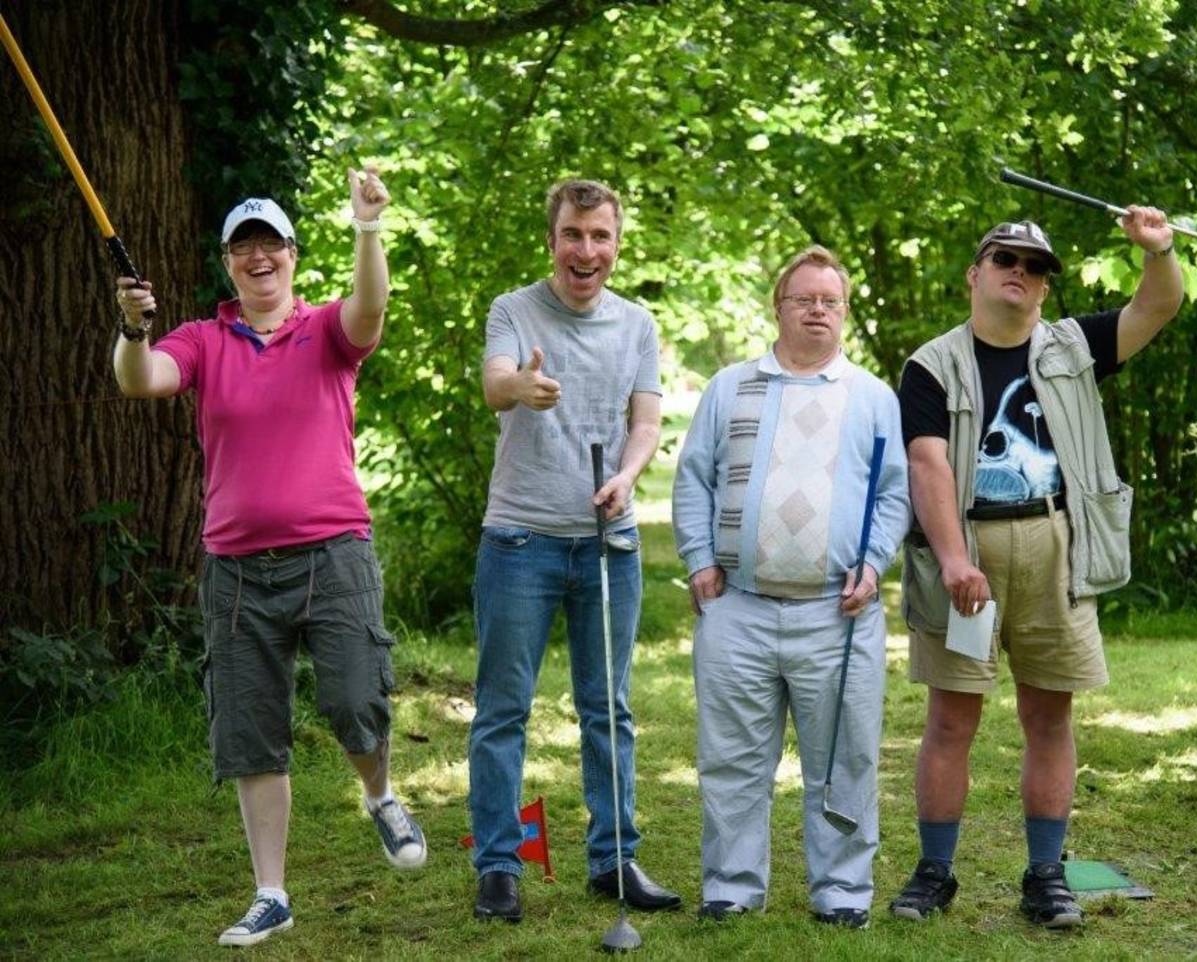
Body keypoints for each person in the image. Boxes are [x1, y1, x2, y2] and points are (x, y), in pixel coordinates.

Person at [113, 167, 426, 947]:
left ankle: (381, 797)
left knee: (357, 700)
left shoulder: (325, 330)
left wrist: (367, 227)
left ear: (292, 254)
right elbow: (144, 379)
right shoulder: (203, 340)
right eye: (243, 247)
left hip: (333, 553)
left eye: (271, 245)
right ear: (228, 264)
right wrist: (131, 328)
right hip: (237, 567)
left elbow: (371, 306)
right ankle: (271, 893)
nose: (258, 258)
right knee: (251, 729)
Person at [889, 213, 1183, 928]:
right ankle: (935, 873)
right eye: (1005, 258)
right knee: (952, 718)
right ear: (976, 273)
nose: (1019, 271)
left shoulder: (1076, 347)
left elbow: (1160, 303)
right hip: (968, 554)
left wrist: (1160, 249)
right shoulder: (931, 364)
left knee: (1049, 715)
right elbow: (926, 462)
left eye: (1036, 264)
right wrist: (955, 558)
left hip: (1057, 543)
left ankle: (1046, 877)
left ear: (1046, 287)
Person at [673, 245, 910, 929]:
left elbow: (894, 495)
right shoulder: (731, 387)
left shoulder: (870, 398)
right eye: (802, 298)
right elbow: (692, 479)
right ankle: (732, 886)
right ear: (777, 308)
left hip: (837, 611)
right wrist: (698, 560)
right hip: (738, 607)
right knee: (731, 757)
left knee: (844, 757)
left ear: (844, 312)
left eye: (829, 301)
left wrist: (873, 564)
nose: (816, 310)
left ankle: (841, 891)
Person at [468, 178, 679, 924]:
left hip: (606, 543)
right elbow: (495, 385)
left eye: (600, 237)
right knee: (503, 710)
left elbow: (647, 420)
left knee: (608, 709)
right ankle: (500, 864)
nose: (586, 251)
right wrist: (521, 387)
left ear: (616, 244)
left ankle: (613, 859)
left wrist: (626, 475)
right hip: (519, 540)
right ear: (552, 239)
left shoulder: (637, 325)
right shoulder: (514, 311)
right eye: (573, 235)